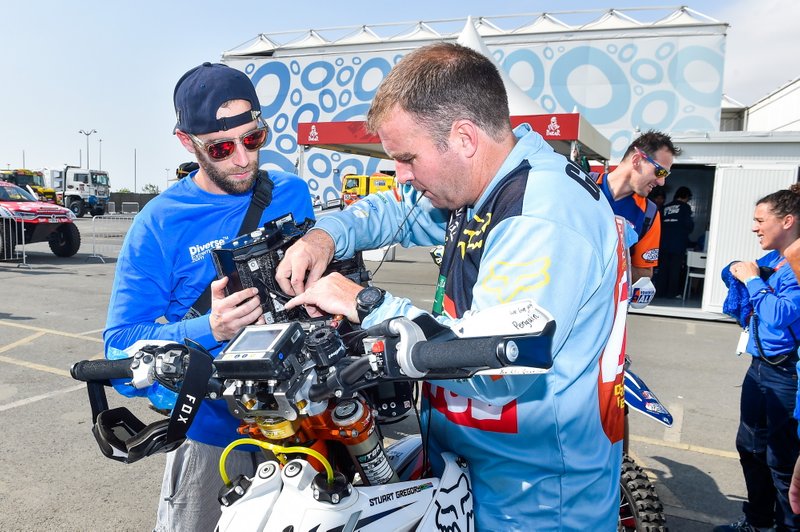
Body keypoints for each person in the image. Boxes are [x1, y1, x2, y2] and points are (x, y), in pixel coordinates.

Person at [274, 42, 625, 529]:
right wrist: (323, 237)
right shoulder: (489, 183)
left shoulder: (540, 216)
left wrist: (364, 302)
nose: (400, 174)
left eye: (407, 158)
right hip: (480, 474)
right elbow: (396, 210)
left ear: (463, 137)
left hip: (534, 501)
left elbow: (495, 365)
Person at [103, 62, 314, 532]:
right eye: (221, 147)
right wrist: (211, 328)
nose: (242, 158)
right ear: (187, 143)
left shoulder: (292, 192)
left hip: (308, 424)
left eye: (253, 138)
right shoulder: (160, 223)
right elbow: (118, 348)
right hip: (214, 437)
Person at [717, 184, 800, 532]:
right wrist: (739, 268)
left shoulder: (796, 264)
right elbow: (733, 272)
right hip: (759, 370)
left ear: (787, 221)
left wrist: (753, 280)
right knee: (749, 447)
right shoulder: (774, 259)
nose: (754, 227)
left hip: (787, 377)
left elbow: (780, 313)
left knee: (782, 461)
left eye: (759, 220)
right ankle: (759, 522)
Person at [593, 130, 680, 282]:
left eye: (665, 175)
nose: (661, 182)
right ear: (636, 160)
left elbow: (645, 272)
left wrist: (608, 266)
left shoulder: (649, 213)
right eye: (659, 171)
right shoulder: (582, 185)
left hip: (604, 305)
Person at [657, 186, 695, 298]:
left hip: (663, 243)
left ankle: (659, 293)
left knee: (662, 269)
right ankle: (671, 294)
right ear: (686, 197)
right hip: (678, 244)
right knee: (675, 270)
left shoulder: (665, 207)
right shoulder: (685, 207)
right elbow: (689, 226)